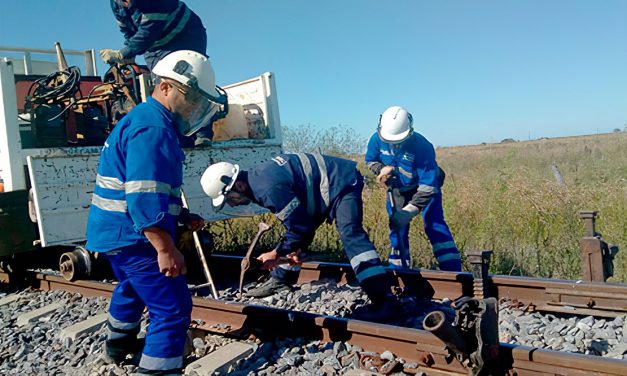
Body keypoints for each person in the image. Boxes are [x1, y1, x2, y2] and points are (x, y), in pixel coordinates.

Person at [85, 50, 224, 375]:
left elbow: (151, 191)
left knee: (131, 288)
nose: (191, 108)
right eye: (189, 98)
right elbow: (143, 198)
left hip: (115, 234)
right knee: (173, 309)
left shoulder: (144, 120)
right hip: (134, 237)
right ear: (165, 87)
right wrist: (166, 248)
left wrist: (179, 219)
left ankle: (116, 348)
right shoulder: (154, 128)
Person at [200, 153, 397, 317]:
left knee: (350, 233)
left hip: (343, 182)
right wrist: (288, 249)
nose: (231, 204)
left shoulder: (267, 189)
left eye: (229, 198)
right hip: (319, 191)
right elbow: (298, 224)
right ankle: (281, 280)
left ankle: (383, 298)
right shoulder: (257, 181)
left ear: (239, 186)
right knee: (296, 236)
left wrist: (275, 253)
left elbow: (299, 227)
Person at [100, 0, 215, 146]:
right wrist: (130, 51)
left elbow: (149, 31)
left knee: (188, 82)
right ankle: (178, 136)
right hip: (154, 46)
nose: (127, 2)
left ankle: (202, 134)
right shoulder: (115, 4)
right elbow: (127, 30)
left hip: (184, 35)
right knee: (163, 88)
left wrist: (124, 53)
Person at [365, 106, 462, 272]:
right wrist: (381, 169)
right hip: (398, 188)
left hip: (425, 188)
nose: (393, 144)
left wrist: (409, 211)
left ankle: (452, 271)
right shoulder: (376, 139)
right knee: (397, 226)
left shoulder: (422, 146)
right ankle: (399, 270)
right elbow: (370, 160)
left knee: (434, 224)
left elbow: (428, 186)